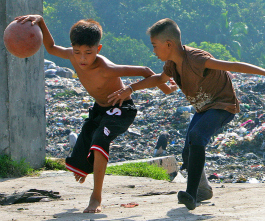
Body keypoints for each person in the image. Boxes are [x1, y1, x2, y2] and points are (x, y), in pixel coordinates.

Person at [108, 18, 265, 210]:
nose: (153, 51)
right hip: (203, 109)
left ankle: (191, 195)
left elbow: (233, 65)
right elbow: (159, 79)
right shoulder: (172, 65)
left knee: (197, 136)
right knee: (188, 151)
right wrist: (130, 88)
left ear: (168, 44)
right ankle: (204, 189)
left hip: (223, 106)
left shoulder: (196, 59)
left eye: (154, 46)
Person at [15, 15, 176, 214]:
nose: (82, 58)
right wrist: (40, 22)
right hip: (99, 110)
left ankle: (96, 198)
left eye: (88, 53)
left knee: (100, 140)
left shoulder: (106, 68)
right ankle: (86, 166)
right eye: (77, 52)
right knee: (78, 164)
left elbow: (145, 70)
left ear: (98, 49)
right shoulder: (72, 55)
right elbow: (51, 48)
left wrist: (166, 89)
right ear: (73, 48)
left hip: (121, 108)